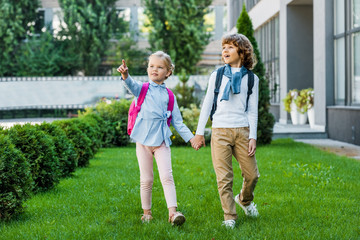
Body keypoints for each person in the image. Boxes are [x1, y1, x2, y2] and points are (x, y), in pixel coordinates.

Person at [117, 51, 196, 226]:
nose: (154, 69)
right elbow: (130, 85)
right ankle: (147, 213)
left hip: (161, 142)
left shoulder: (170, 96)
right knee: (146, 179)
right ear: (147, 69)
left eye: (159, 67)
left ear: (168, 72)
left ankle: (173, 213)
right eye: (151, 66)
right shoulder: (142, 89)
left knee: (167, 177)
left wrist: (191, 138)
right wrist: (125, 75)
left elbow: (178, 122)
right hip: (143, 142)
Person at [192, 34, 260, 229]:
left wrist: (252, 136)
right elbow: (206, 105)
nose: (225, 51)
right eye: (224, 47)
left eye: (230, 47)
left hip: (242, 131)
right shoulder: (217, 75)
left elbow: (252, 110)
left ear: (242, 51)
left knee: (252, 175)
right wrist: (199, 132)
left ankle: (245, 200)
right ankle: (229, 216)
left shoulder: (252, 79)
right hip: (220, 130)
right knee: (224, 177)